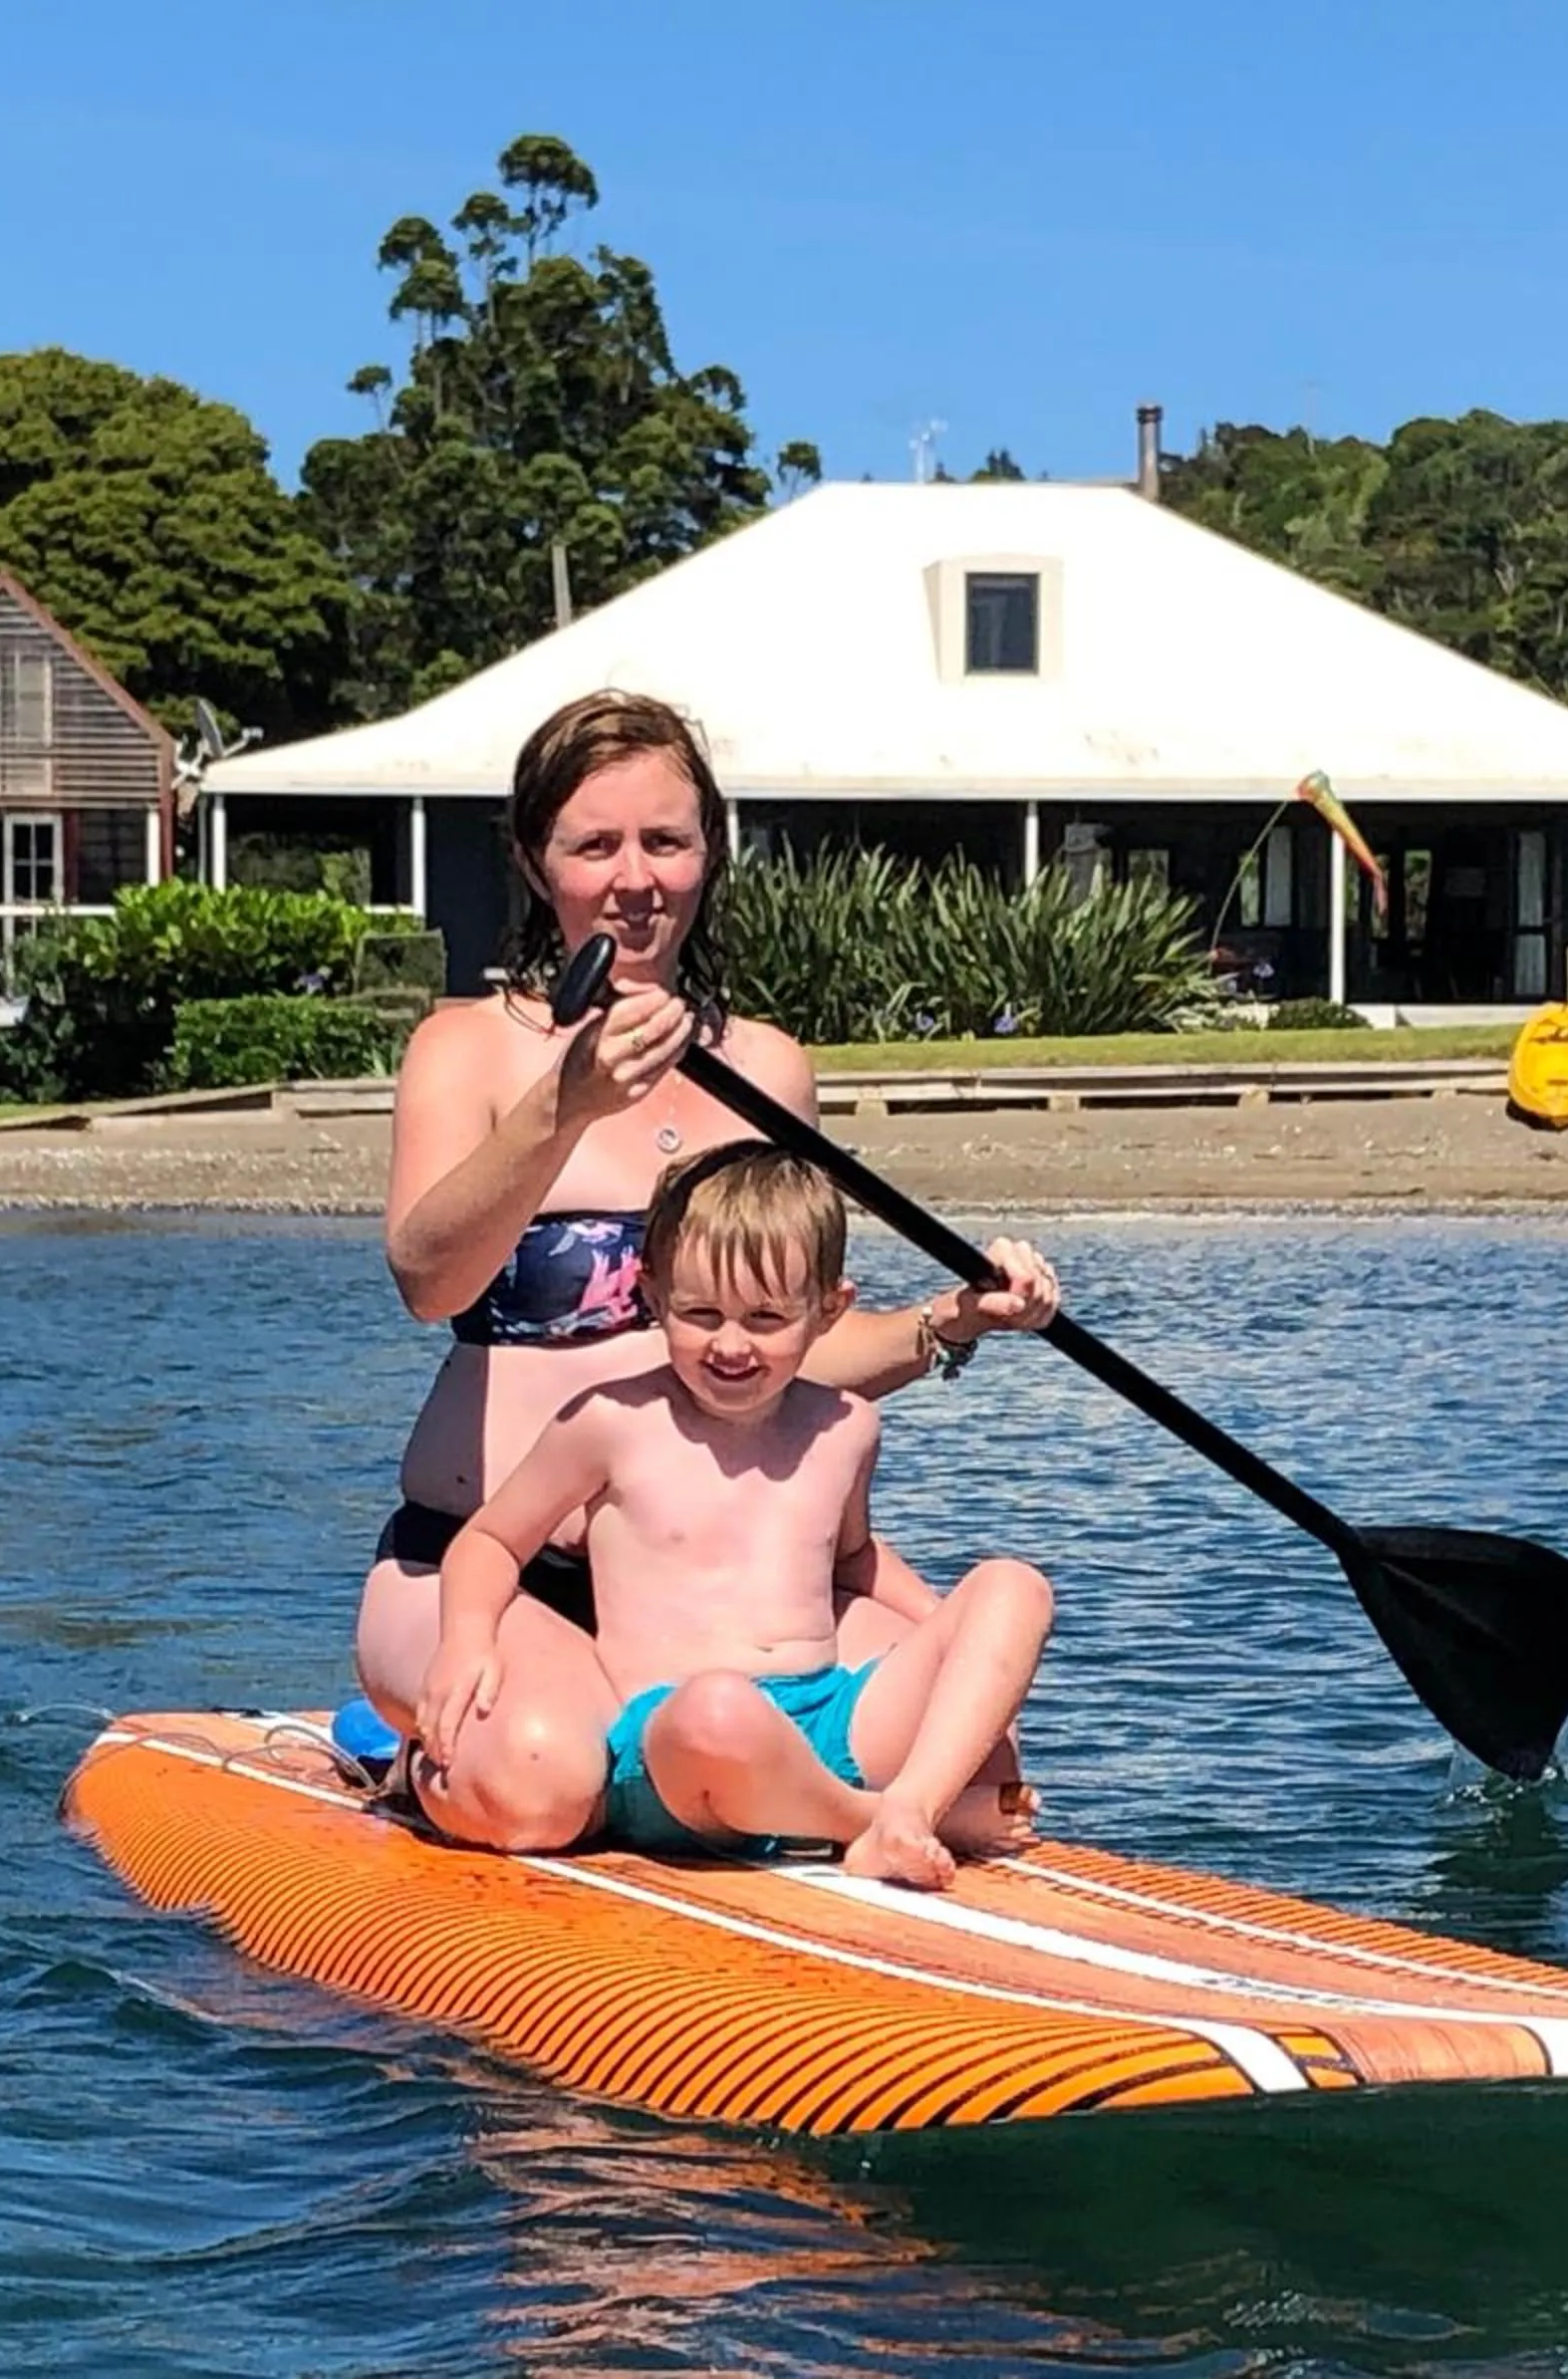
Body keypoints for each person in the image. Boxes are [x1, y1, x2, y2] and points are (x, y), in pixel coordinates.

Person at [357, 688, 1061, 1852]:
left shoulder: (770, 1070)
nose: (634, 877)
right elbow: (426, 1277)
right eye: (595, 845)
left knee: (981, 1771)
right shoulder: (468, 1048)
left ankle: (862, 1817)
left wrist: (953, 1319)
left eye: (665, 842)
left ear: (709, 854)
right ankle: (418, 1757)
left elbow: (789, 1348)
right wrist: (563, 1109)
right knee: (541, 1786)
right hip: (494, 1569)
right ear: (539, 866)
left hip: (720, 1595)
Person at [418, 1142, 1053, 1886]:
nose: (729, 1344)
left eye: (764, 1318)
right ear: (652, 1299)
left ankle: (906, 1804)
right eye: (700, 1313)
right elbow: (491, 1539)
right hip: (677, 1747)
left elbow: (851, 1561)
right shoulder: (610, 1423)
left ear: (828, 1310)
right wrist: (466, 1640)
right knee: (720, 1708)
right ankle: (897, 1821)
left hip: (827, 1720)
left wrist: (951, 1637)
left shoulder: (845, 1427)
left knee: (1015, 1586)